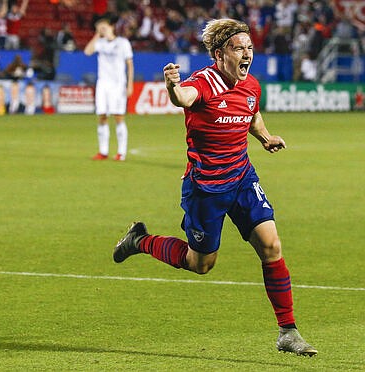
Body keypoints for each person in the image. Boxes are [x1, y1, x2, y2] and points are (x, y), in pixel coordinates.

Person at [113, 19, 317, 356]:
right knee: (201, 264)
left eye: (249, 48)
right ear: (220, 54)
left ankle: (288, 331)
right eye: (240, 48)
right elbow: (184, 97)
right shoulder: (202, 84)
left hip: (241, 178)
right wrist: (171, 87)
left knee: (271, 245)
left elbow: (252, 113)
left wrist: (265, 137)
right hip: (205, 188)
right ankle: (141, 240)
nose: (247, 54)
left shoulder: (251, 85)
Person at [84, 12, 134, 161]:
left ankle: (121, 152)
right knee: (102, 116)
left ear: (111, 26)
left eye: (104, 27)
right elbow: (87, 51)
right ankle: (103, 151)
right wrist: (96, 35)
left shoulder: (123, 43)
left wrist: (129, 84)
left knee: (118, 116)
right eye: (100, 27)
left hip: (117, 85)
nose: (102, 29)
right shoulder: (100, 43)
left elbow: (129, 64)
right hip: (103, 84)